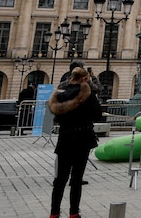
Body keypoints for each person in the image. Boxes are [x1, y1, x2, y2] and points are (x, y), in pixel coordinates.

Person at [47, 66, 101, 218]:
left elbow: (57, 118)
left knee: (60, 179)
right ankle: (74, 213)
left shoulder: (61, 96)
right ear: (85, 79)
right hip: (82, 139)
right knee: (76, 179)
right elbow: (97, 115)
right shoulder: (87, 95)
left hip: (64, 139)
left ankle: (54, 212)